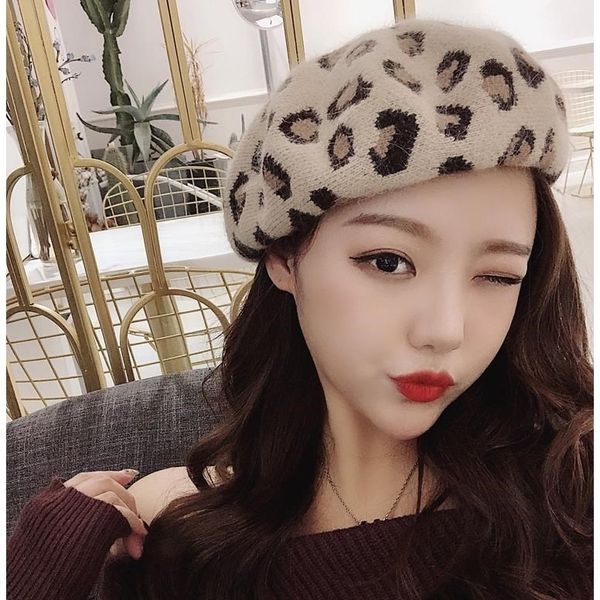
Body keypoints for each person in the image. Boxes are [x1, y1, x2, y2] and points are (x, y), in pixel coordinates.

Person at [7, 17, 592, 600]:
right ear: (284, 259)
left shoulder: (567, 496)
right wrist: (44, 566)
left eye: (496, 276)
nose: (445, 330)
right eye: (388, 261)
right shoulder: (179, 527)